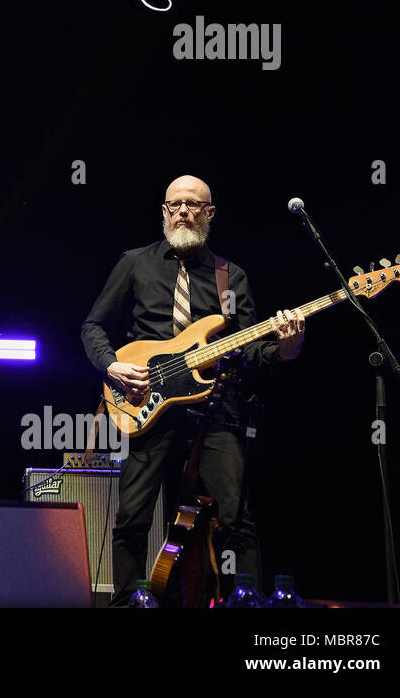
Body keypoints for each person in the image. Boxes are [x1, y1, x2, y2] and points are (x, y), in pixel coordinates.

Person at [80, 175, 305, 604]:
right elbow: (92, 325)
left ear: (210, 213)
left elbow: (251, 350)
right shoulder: (135, 263)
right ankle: (129, 601)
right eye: (175, 204)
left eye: (193, 205)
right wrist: (112, 366)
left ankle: (246, 601)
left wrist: (285, 350)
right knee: (132, 517)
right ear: (164, 211)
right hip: (147, 402)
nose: (183, 211)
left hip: (215, 407)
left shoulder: (230, 277)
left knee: (236, 517)